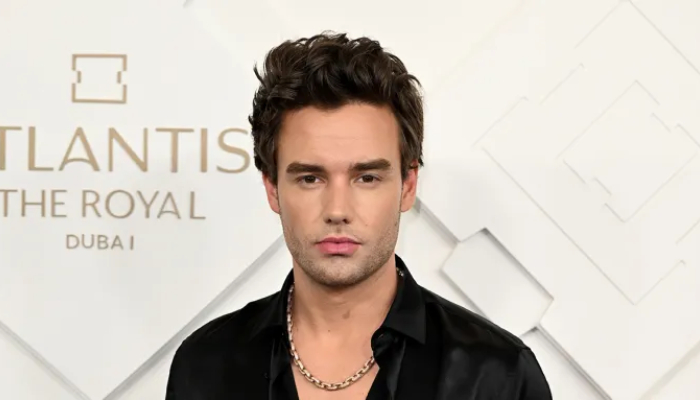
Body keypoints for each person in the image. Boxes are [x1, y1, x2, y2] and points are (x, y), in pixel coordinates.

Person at [164, 31, 552, 400]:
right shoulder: (206, 364)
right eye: (310, 178)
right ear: (272, 188)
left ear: (408, 185)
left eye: (366, 178)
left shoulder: (497, 375)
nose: (337, 210)